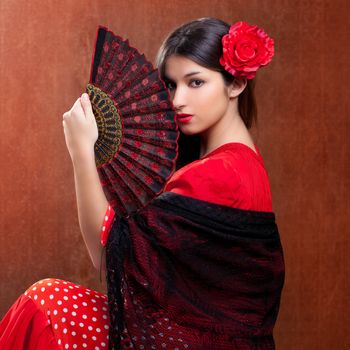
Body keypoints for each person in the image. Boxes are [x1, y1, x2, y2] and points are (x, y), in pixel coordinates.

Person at [0, 17, 284, 349]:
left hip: (198, 342)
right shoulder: (242, 162)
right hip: (194, 336)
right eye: (171, 85)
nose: (178, 100)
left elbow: (109, 255)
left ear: (235, 83)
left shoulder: (221, 173)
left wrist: (81, 153)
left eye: (195, 83)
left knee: (49, 303)